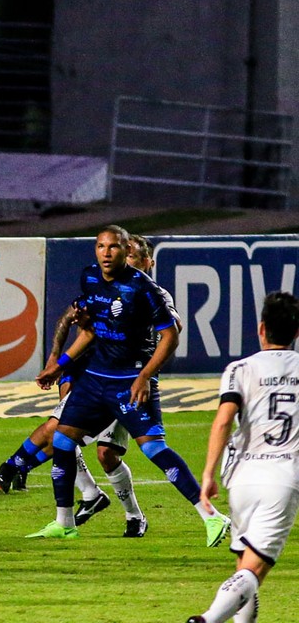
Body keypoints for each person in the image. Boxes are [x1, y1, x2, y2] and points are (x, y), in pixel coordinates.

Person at [27, 225, 231, 545]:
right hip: (96, 379)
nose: (107, 253)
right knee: (64, 442)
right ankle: (64, 522)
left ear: (126, 252)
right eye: (101, 246)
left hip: (130, 379)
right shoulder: (90, 278)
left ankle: (212, 516)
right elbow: (91, 331)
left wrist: (145, 376)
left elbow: (171, 335)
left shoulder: (144, 288)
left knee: (152, 447)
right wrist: (59, 365)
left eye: (115, 248)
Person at [0, 234, 182, 537]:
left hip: (126, 379)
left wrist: (145, 368)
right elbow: (73, 319)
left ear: (149, 262)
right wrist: (58, 360)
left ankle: (126, 511)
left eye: (134, 255)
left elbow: (174, 328)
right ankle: (82, 495)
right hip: (92, 373)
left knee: (105, 453)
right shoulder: (103, 286)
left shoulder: (153, 294)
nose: (128, 259)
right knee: (63, 431)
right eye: (126, 253)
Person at [187, 291, 299, 623]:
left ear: (261, 329)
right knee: (253, 569)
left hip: (241, 478)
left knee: (244, 569)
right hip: (282, 477)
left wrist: (207, 474)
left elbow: (223, 419)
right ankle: (207, 619)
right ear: (296, 332)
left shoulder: (239, 369)